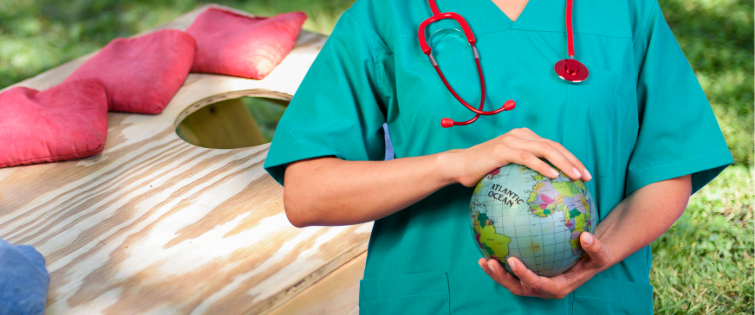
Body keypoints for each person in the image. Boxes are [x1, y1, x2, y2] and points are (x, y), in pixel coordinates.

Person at [263, 0, 734, 313]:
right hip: (432, 300)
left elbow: (670, 165)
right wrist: (453, 164)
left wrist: (602, 254)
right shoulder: (387, 13)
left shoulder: (625, 10)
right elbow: (308, 194)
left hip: (591, 299)